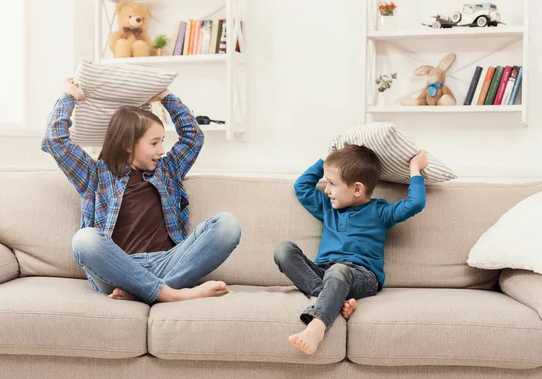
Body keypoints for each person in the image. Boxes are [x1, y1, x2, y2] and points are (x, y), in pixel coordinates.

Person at [42, 78, 241, 304]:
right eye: (154, 143)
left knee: (228, 224)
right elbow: (54, 139)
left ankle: (141, 292)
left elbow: (193, 136)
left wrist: (166, 96)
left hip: (168, 261)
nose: (162, 150)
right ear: (128, 145)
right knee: (84, 240)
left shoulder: (167, 170)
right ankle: (171, 293)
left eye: (162, 142)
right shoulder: (95, 176)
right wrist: (69, 97)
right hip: (118, 269)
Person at [273, 144, 427, 354]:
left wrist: (415, 168)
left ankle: (317, 325)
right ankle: (333, 300)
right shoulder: (328, 207)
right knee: (284, 250)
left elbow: (415, 203)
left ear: (357, 189)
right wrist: (328, 156)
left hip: (362, 276)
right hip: (325, 272)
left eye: (332, 184)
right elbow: (301, 186)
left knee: (339, 270)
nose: (326, 190)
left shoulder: (380, 211)